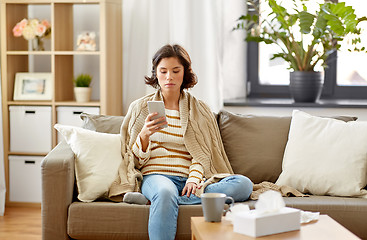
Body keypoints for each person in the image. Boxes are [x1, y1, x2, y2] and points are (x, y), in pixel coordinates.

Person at [113, 44, 253, 240]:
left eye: (175, 71)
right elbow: (131, 162)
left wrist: (194, 178)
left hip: (190, 181)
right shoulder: (140, 108)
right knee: (164, 192)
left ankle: (150, 201)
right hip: (157, 176)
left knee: (243, 184)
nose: (169, 77)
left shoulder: (200, 110)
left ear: (184, 73)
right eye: (163, 71)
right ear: (156, 74)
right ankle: (161, 197)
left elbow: (203, 153)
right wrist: (144, 135)